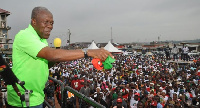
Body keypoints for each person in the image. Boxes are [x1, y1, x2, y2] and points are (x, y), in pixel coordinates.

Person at [7, 6, 112, 108]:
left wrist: (56, 55)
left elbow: (45, 64)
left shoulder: (41, 40)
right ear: (34, 21)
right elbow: (50, 55)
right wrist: (87, 52)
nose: (50, 26)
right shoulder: (25, 35)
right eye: (46, 22)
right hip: (23, 97)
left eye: (52, 23)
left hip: (36, 95)